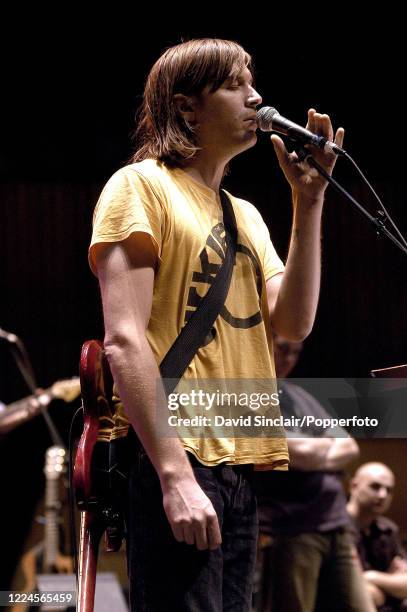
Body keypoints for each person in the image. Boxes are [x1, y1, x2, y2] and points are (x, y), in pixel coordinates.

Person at [88, 38, 344, 611]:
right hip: (174, 455)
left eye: (253, 81)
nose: (256, 96)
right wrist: (174, 476)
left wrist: (309, 204)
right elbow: (124, 341)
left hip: (237, 465)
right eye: (235, 84)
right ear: (186, 107)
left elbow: (294, 323)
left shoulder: (244, 214)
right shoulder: (140, 187)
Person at [255, 335, 374, 612]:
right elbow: (296, 452)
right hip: (292, 528)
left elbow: (349, 445)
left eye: (295, 352)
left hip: (336, 523)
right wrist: (324, 449)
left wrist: (314, 452)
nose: (288, 359)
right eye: (283, 349)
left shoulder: (300, 395)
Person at [347, 462, 407, 611]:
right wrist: (391, 584)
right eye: (375, 487)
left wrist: (372, 577)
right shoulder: (335, 528)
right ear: (354, 486)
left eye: (389, 490)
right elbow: (349, 591)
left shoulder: (388, 529)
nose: (383, 495)